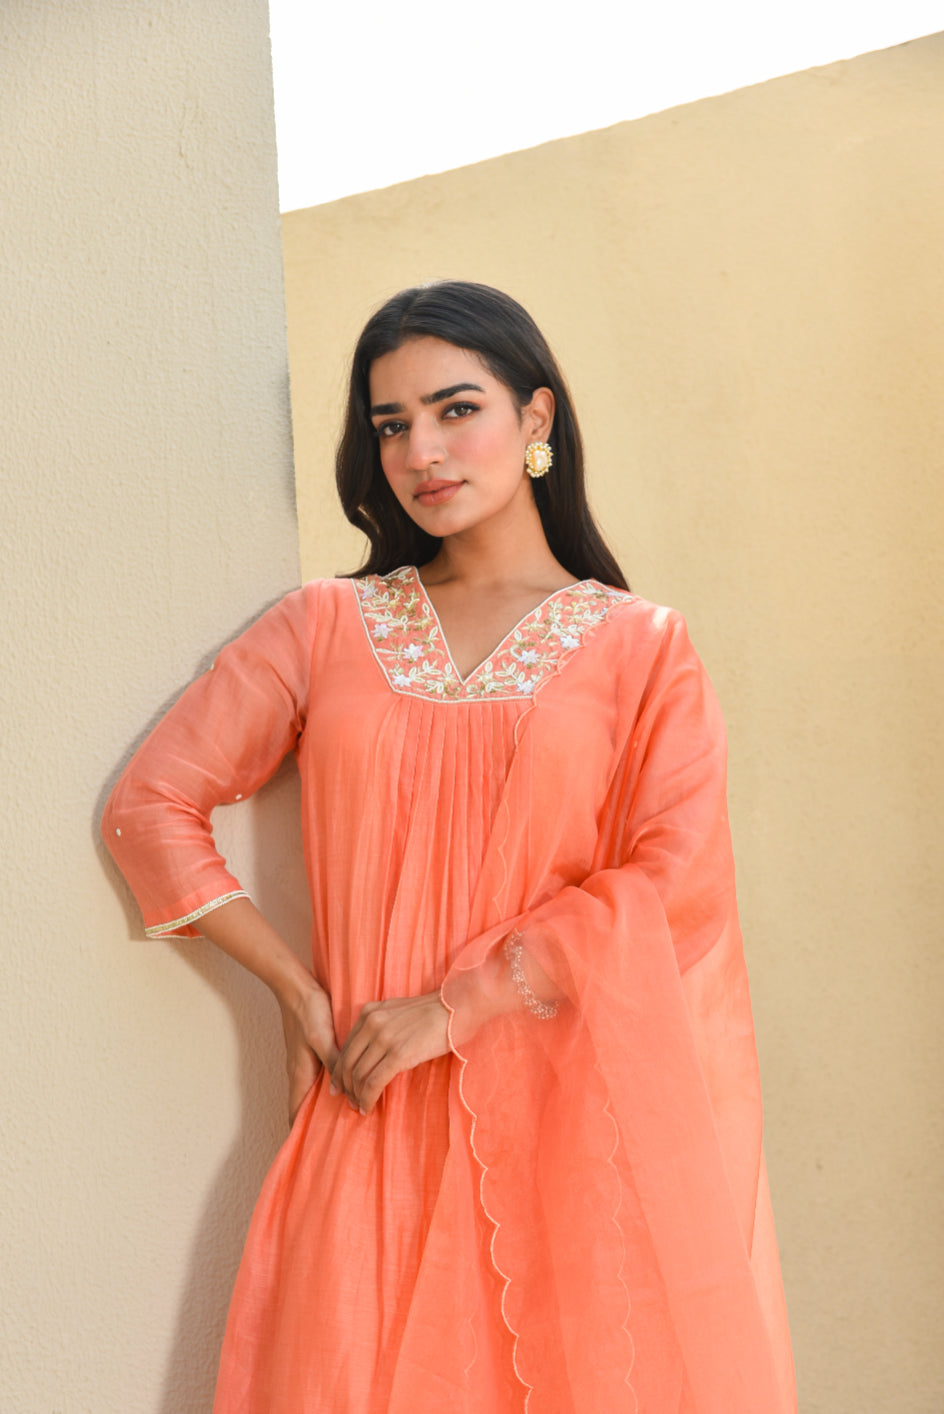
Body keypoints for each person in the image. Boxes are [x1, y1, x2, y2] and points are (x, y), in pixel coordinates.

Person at [102, 280, 796, 1413]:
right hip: (369, 1114)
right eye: (388, 425)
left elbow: (671, 890)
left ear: (535, 420)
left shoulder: (638, 650)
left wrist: (456, 1004)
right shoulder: (323, 626)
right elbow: (151, 807)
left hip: (562, 1127)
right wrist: (296, 992)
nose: (419, 449)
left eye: (453, 408)